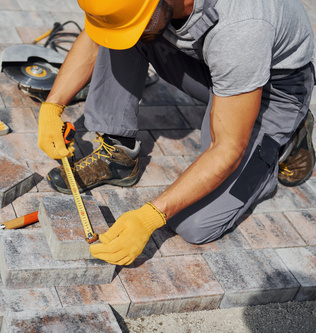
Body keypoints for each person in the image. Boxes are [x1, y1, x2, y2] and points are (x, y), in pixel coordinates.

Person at [37, 0, 315, 265]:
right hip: (219, 66)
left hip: (273, 92)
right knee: (121, 33)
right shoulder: (150, 8)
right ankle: (119, 153)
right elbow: (100, 31)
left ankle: (285, 135)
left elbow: (227, 148)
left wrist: (151, 216)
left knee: (194, 224)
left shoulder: (241, 26)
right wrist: (52, 106)